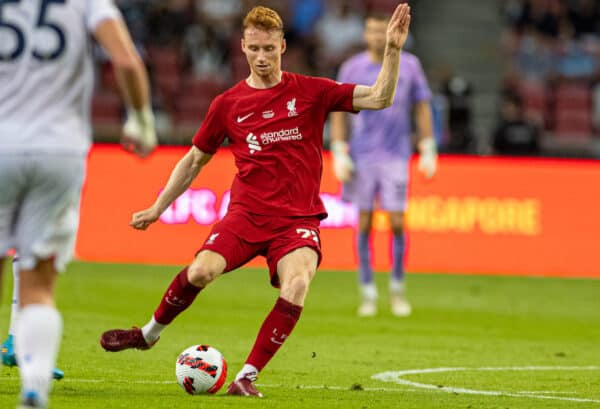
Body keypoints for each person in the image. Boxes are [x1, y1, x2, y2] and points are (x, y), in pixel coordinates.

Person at [99, 3, 412, 398]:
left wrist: (393, 49)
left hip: (297, 219)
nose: (262, 58)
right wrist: (158, 208)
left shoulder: (312, 91)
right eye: (254, 49)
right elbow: (195, 159)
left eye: (269, 49)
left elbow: (380, 97)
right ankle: (147, 334)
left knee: (297, 283)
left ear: (282, 46)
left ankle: (246, 376)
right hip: (246, 216)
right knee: (200, 273)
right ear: (242, 48)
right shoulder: (227, 104)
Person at [0, 0, 157, 406]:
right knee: (39, 282)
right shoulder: (87, 2)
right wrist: (141, 118)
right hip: (60, 150)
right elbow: (125, 59)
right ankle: (33, 387)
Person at [330, 12, 437, 318]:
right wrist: (339, 149)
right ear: (366, 34)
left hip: (395, 154)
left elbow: (422, 104)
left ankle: (397, 287)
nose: (378, 37)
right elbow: (338, 109)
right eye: (373, 31)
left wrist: (428, 145)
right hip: (362, 156)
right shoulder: (352, 66)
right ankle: (367, 291)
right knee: (363, 223)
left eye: (382, 31)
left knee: (397, 222)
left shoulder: (411, 64)